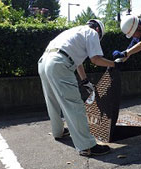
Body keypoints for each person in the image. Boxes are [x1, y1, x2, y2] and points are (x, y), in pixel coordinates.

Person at [38, 19, 121, 156]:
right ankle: (87, 146)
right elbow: (95, 59)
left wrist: (85, 81)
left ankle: (58, 132)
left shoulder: (74, 32)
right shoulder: (92, 33)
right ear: (98, 30)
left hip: (44, 61)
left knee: (52, 100)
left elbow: (77, 62)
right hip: (59, 63)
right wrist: (114, 64)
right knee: (74, 105)